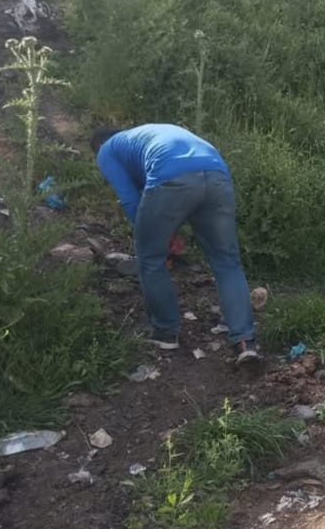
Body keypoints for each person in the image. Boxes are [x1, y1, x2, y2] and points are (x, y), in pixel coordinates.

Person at [91, 123, 260, 364]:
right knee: (227, 261)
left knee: (150, 258)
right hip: (217, 175)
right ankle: (245, 341)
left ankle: (165, 332)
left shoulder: (106, 150)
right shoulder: (144, 136)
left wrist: (152, 234)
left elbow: (130, 200)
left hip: (170, 177)